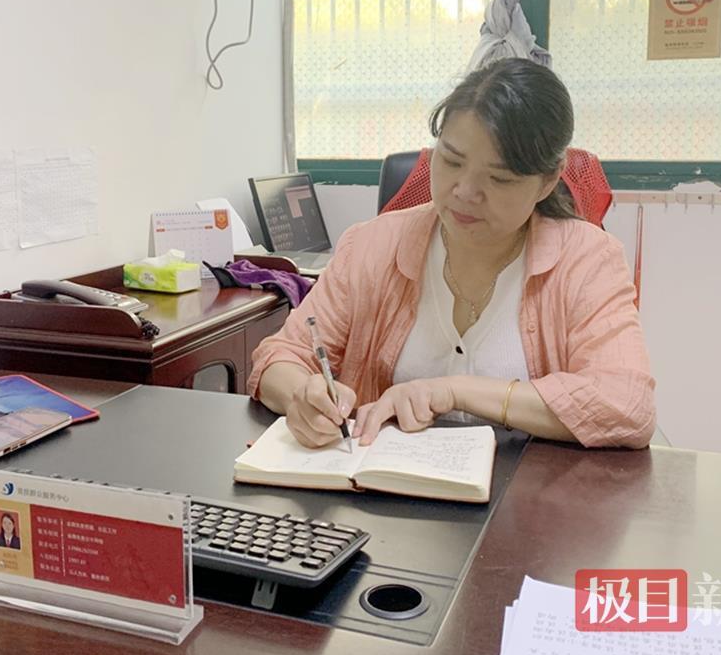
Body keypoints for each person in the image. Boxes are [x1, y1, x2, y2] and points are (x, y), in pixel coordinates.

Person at [249, 58, 655, 450]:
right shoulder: (371, 246)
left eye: (499, 178)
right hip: (388, 488)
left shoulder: (587, 260)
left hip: (528, 493)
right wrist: (303, 396)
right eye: (451, 161)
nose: (465, 191)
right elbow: (280, 357)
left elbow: (627, 405)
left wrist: (454, 391)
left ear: (548, 181)